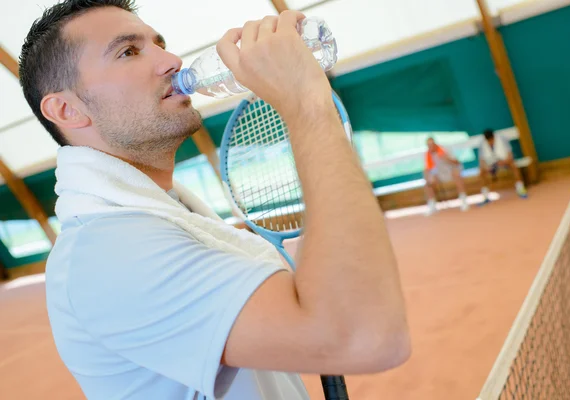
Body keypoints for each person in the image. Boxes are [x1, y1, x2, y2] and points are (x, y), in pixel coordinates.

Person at [19, 1, 411, 399]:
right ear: (66, 109)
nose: (171, 60)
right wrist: (305, 103)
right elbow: (364, 336)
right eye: (128, 51)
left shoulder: (162, 215)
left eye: (161, 44)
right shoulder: (106, 254)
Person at [478, 129, 528, 204]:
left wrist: (504, 162)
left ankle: (520, 189)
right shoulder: (482, 144)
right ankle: (485, 196)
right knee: (481, 172)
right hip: (491, 164)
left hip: (504, 161)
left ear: (493, 137)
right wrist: (487, 167)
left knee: (514, 166)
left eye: (491, 140)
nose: (490, 142)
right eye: (488, 141)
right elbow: (481, 161)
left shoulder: (502, 139)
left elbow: (510, 155)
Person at [423, 137, 469, 215]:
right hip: (439, 175)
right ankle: (432, 206)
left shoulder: (445, 149)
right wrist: (427, 178)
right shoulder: (427, 155)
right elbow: (428, 169)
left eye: (432, 144)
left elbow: (457, 162)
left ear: (435, 144)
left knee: (457, 175)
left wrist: (447, 159)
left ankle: (464, 201)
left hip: (450, 171)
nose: (430, 147)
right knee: (428, 184)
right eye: (428, 145)